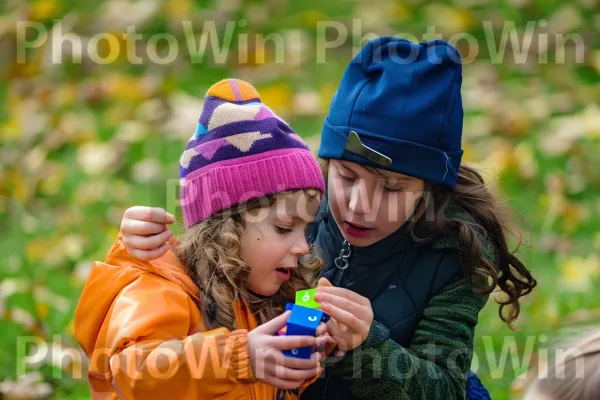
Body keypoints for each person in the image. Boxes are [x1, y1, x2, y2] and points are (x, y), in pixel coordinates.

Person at [116, 37, 537, 399]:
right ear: (328, 163)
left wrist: (367, 348)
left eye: (391, 189)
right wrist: (137, 252)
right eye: (347, 176)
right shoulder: (297, 207)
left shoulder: (456, 252)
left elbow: (445, 388)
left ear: (428, 190)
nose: (359, 205)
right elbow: (204, 256)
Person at [74, 79, 336, 399]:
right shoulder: (163, 288)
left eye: (304, 229)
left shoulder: (265, 296)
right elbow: (131, 371)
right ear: (226, 229)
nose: (301, 246)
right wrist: (236, 358)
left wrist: (303, 354)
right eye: (283, 227)